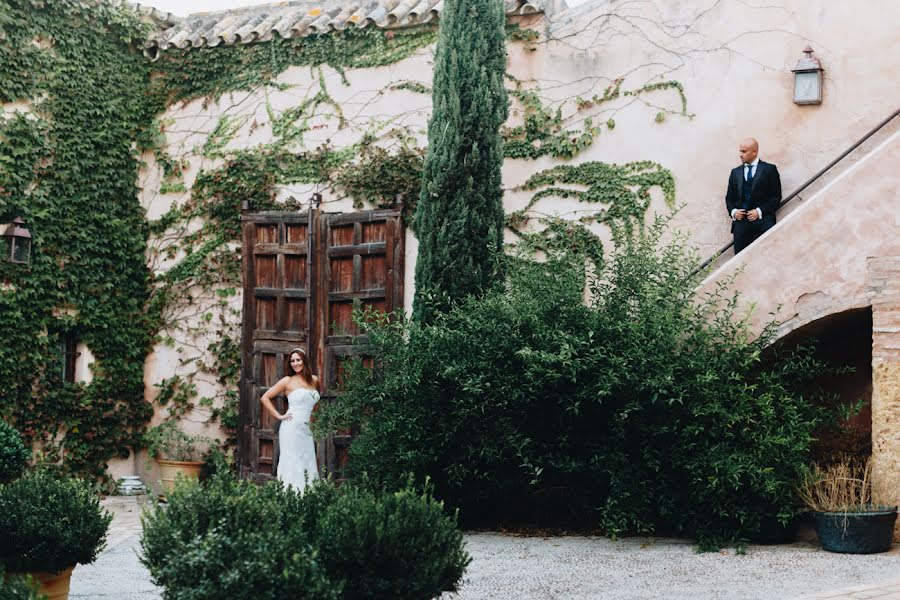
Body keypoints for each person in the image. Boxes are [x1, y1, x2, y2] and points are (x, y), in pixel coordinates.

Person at [260, 347, 320, 491]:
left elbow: (315, 404)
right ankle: (291, 496)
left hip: (306, 428)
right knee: (292, 460)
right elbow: (265, 397)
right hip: (291, 428)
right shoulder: (287, 381)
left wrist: (313, 422)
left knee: (307, 459)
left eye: (298, 360)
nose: (295, 363)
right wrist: (280, 415)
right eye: (292, 361)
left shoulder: (314, 380)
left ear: (304, 361)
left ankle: (308, 496)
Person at [725, 137, 782, 253]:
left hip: (764, 221)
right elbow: (729, 198)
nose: (740, 154)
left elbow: (776, 197)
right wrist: (734, 212)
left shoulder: (769, 169)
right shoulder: (735, 172)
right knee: (740, 261)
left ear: (754, 151)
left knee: (768, 256)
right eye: (740, 151)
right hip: (741, 224)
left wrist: (759, 211)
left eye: (744, 151)